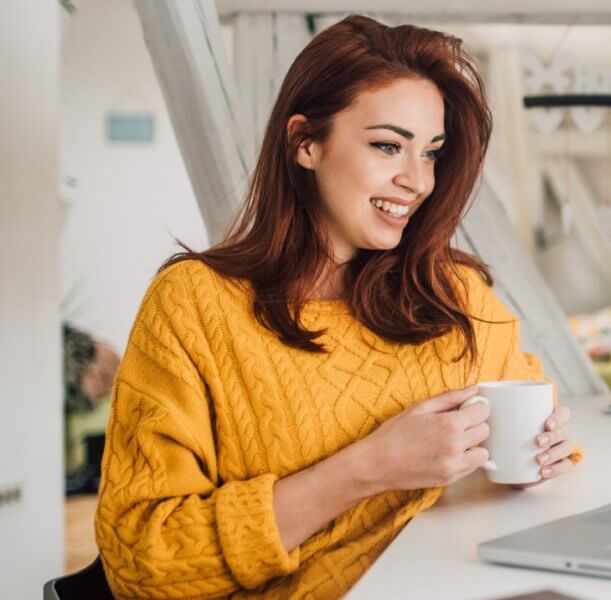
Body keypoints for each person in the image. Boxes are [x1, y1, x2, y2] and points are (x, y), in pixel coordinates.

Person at [95, 15, 580, 598]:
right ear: (305, 142)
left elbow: (532, 413)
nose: (418, 180)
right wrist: (369, 467)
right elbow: (139, 561)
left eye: (431, 152)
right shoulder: (194, 305)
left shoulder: (456, 295)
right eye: (387, 146)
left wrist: (548, 450)